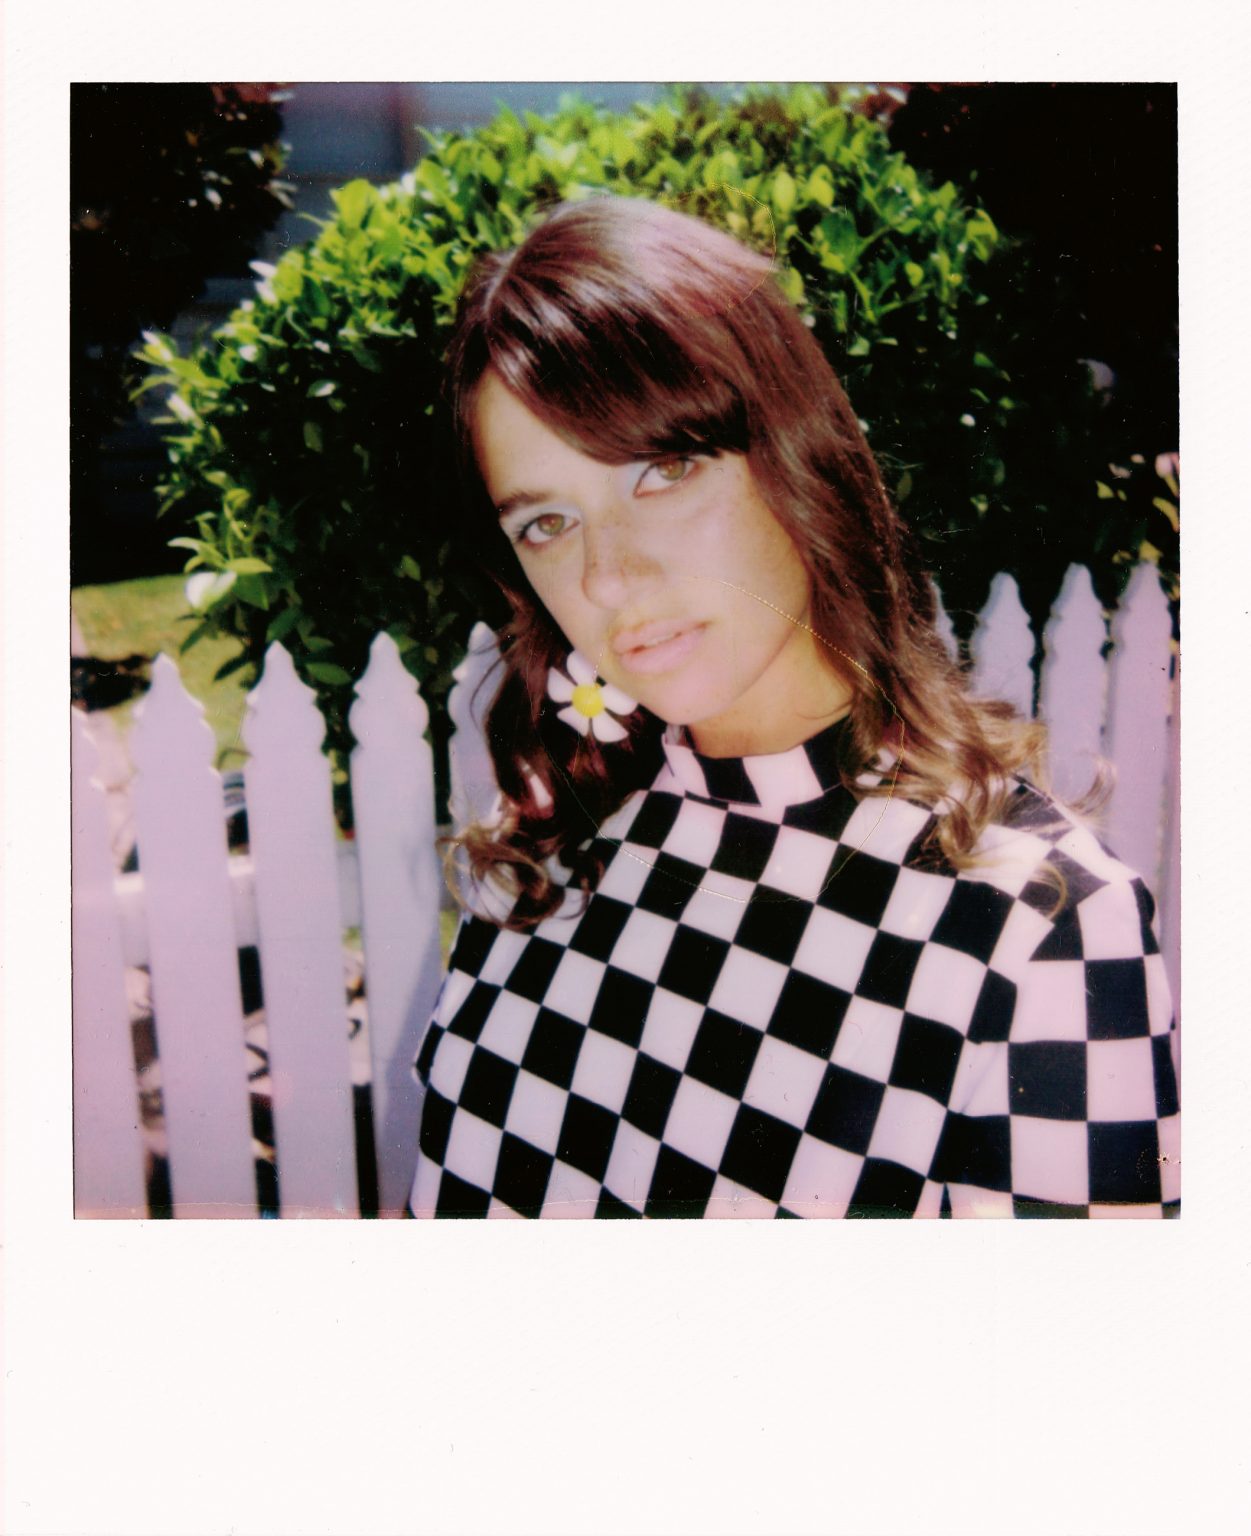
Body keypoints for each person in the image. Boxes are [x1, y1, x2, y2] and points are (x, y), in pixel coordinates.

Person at [407, 195, 1179, 1219]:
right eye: (547, 522)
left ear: (795, 454)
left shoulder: (1037, 927)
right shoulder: (552, 842)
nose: (607, 577)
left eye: (663, 471)